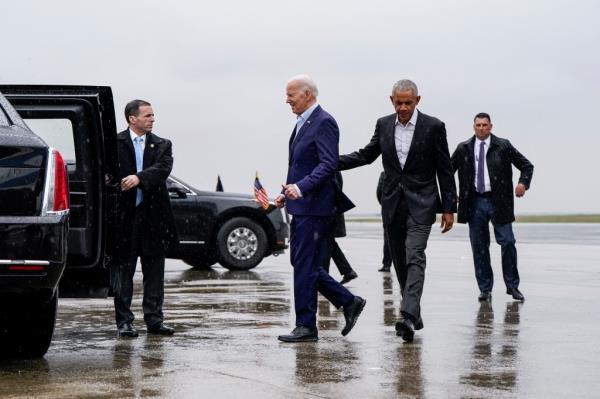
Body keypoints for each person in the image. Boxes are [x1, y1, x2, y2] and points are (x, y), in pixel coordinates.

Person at [339, 79, 456, 342]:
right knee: (400, 261)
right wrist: (331, 163)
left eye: (408, 103)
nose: (403, 107)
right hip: (393, 202)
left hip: (423, 202)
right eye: (399, 102)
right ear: (391, 100)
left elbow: (444, 168)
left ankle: (407, 315)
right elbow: (366, 155)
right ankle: (413, 313)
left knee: (415, 255)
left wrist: (449, 208)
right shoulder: (383, 124)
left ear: (418, 101)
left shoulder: (433, 127)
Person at [276, 75, 366, 343]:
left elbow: (328, 165)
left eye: (291, 94)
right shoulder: (301, 125)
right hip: (302, 204)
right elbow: (301, 166)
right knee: (303, 264)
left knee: (305, 266)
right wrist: (286, 192)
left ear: (308, 94)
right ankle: (348, 301)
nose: (287, 99)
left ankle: (306, 326)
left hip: (315, 207)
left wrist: (301, 188)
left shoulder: (324, 122)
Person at [451, 112, 533, 302]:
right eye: (478, 125)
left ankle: (513, 286)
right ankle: (485, 289)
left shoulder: (503, 146)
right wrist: (451, 193)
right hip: (474, 202)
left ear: (491, 127)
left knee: (508, 242)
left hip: (499, 201)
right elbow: (447, 170)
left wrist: (523, 183)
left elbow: (527, 165)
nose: (481, 128)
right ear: (474, 127)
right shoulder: (463, 148)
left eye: (484, 125)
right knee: (479, 246)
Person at [113, 99, 178, 337]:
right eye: (148, 115)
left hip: (153, 219)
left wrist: (139, 178)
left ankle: (154, 320)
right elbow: (107, 173)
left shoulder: (162, 144)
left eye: (152, 115)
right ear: (133, 119)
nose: (152, 119)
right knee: (124, 272)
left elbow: (163, 169)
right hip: (124, 219)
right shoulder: (115, 143)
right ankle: (124, 322)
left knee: (154, 273)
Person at [322, 171, 359, 285]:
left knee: (326, 244)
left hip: (330, 213)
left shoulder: (331, 169)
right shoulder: (332, 168)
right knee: (329, 244)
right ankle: (347, 271)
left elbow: (334, 192)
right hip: (330, 213)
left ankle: (325, 277)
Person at [376, 171, 392, 272]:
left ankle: (386, 264)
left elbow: (379, 193)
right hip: (405, 210)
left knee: (388, 239)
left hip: (388, 210)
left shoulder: (385, 173)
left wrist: (385, 204)